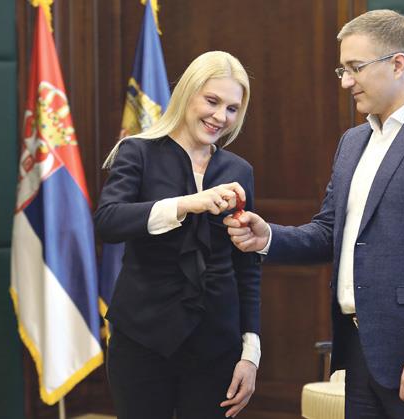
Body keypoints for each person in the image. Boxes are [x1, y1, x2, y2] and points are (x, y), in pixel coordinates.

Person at [224, 10, 404, 419]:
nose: (346, 81)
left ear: (397, 64)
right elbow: (329, 231)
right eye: (342, 70)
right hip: (361, 354)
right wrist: (268, 238)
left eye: (355, 67)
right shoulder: (353, 142)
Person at [95, 51, 261, 419]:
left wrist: (251, 353)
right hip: (142, 339)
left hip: (217, 343)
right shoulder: (137, 152)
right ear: (187, 93)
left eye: (232, 109)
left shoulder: (239, 170)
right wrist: (186, 204)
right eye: (212, 101)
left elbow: (247, 266)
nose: (220, 116)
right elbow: (108, 221)